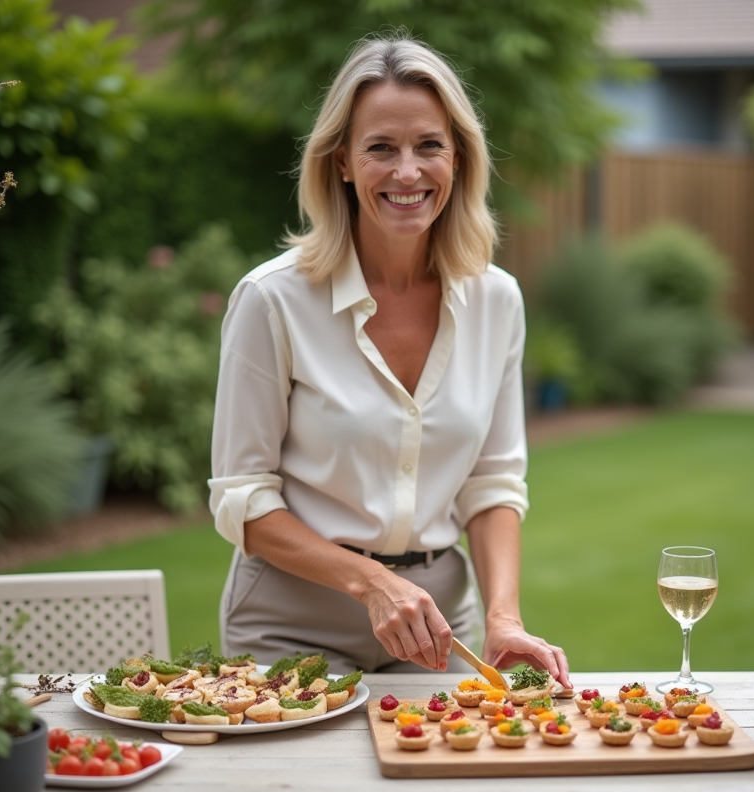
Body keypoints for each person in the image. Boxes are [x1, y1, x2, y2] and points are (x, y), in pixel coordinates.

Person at [208, 34, 571, 689]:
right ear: (342, 161)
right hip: (290, 628)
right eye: (381, 148)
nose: (408, 172)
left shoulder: (497, 300)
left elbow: (491, 484)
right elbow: (242, 500)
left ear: (457, 157)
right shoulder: (272, 300)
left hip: (438, 633)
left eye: (429, 145)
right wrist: (371, 582)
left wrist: (504, 618)